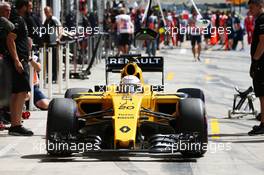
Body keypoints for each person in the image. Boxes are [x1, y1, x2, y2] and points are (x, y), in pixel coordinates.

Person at [7, 0, 33, 136]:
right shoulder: (17, 20)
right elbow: (10, 39)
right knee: (22, 92)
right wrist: (17, 60)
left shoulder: (20, 19)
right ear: (23, 7)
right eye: (29, 7)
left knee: (17, 92)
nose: (31, 9)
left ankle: (15, 124)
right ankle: (16, 125)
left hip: (21, 59)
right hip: (19, 61)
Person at [248, 0, 264, 135]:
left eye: (252, 7)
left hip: (262, 63)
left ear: (260, 6)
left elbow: (263, 42)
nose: (250, 10)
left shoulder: (262, 20)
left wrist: (255, 61)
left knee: (263, 94)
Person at [0, 2, 14, 124]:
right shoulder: (2, 21)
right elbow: (12, 27)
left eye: (9, 10)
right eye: (6, 10)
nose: (8, 13)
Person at [43, 6, 62, 82]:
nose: (46, 13)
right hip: (48, 43)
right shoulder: (46, 20)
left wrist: (58, 38)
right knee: (48, 60)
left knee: (54, 60)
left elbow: (60, 29)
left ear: (51, 11)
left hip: (53, 43)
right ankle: (50, 75)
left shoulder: (54, 19)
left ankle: (55, 76)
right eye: (45, 12)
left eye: (47, 12)